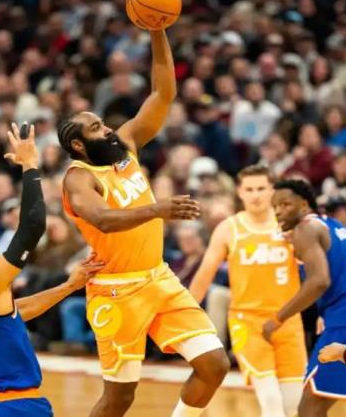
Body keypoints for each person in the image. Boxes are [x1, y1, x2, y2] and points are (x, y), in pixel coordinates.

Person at [58, 29, 229, 417]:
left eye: (103, 123)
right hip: (117, 291)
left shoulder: (125, 144)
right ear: (79, 145)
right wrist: (156, 209)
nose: (107, 129)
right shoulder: (78, 179)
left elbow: (163, 93)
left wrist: (157, 31)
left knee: (214, 365)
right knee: (120, 398)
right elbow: (102, 220)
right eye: (96, 129)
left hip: (159, 277)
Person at [0, 123, 103, 416]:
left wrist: (69, 286)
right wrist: (30, 165)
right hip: (15, 406)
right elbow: (33, 226)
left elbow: (15, 312)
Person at [189, 165, 307, 417]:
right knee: (271, 402)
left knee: (293, 406)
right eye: (249, 189)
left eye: (261, 188)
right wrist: (185, 314)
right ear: (239, 192)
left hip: (288, 322)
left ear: (273, 190)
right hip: (248, 323)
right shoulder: (229, 228)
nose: (255, 195)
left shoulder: (292, 225)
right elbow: (205, 273)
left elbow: (318, 271)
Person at [266, 180, 346, 417]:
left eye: (285, 204)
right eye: (275, 206)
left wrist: (278, 319)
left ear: (304, 205)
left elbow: (319, 281)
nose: (278, 211)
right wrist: (324, 312)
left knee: (310, 407)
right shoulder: (333, 225)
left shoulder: (305, 229)